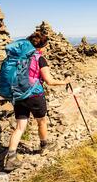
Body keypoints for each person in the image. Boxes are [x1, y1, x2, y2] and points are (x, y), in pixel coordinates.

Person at [4, 31, 70, 172]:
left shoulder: (18, 57)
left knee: (20, 127)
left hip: (19, 95)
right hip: (34, 95)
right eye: (45, 46)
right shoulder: (40, 58)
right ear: (41, 47)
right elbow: (49, 81)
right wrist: (65, 81)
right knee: (41, 121)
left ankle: (11, 158)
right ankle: (44, 145)